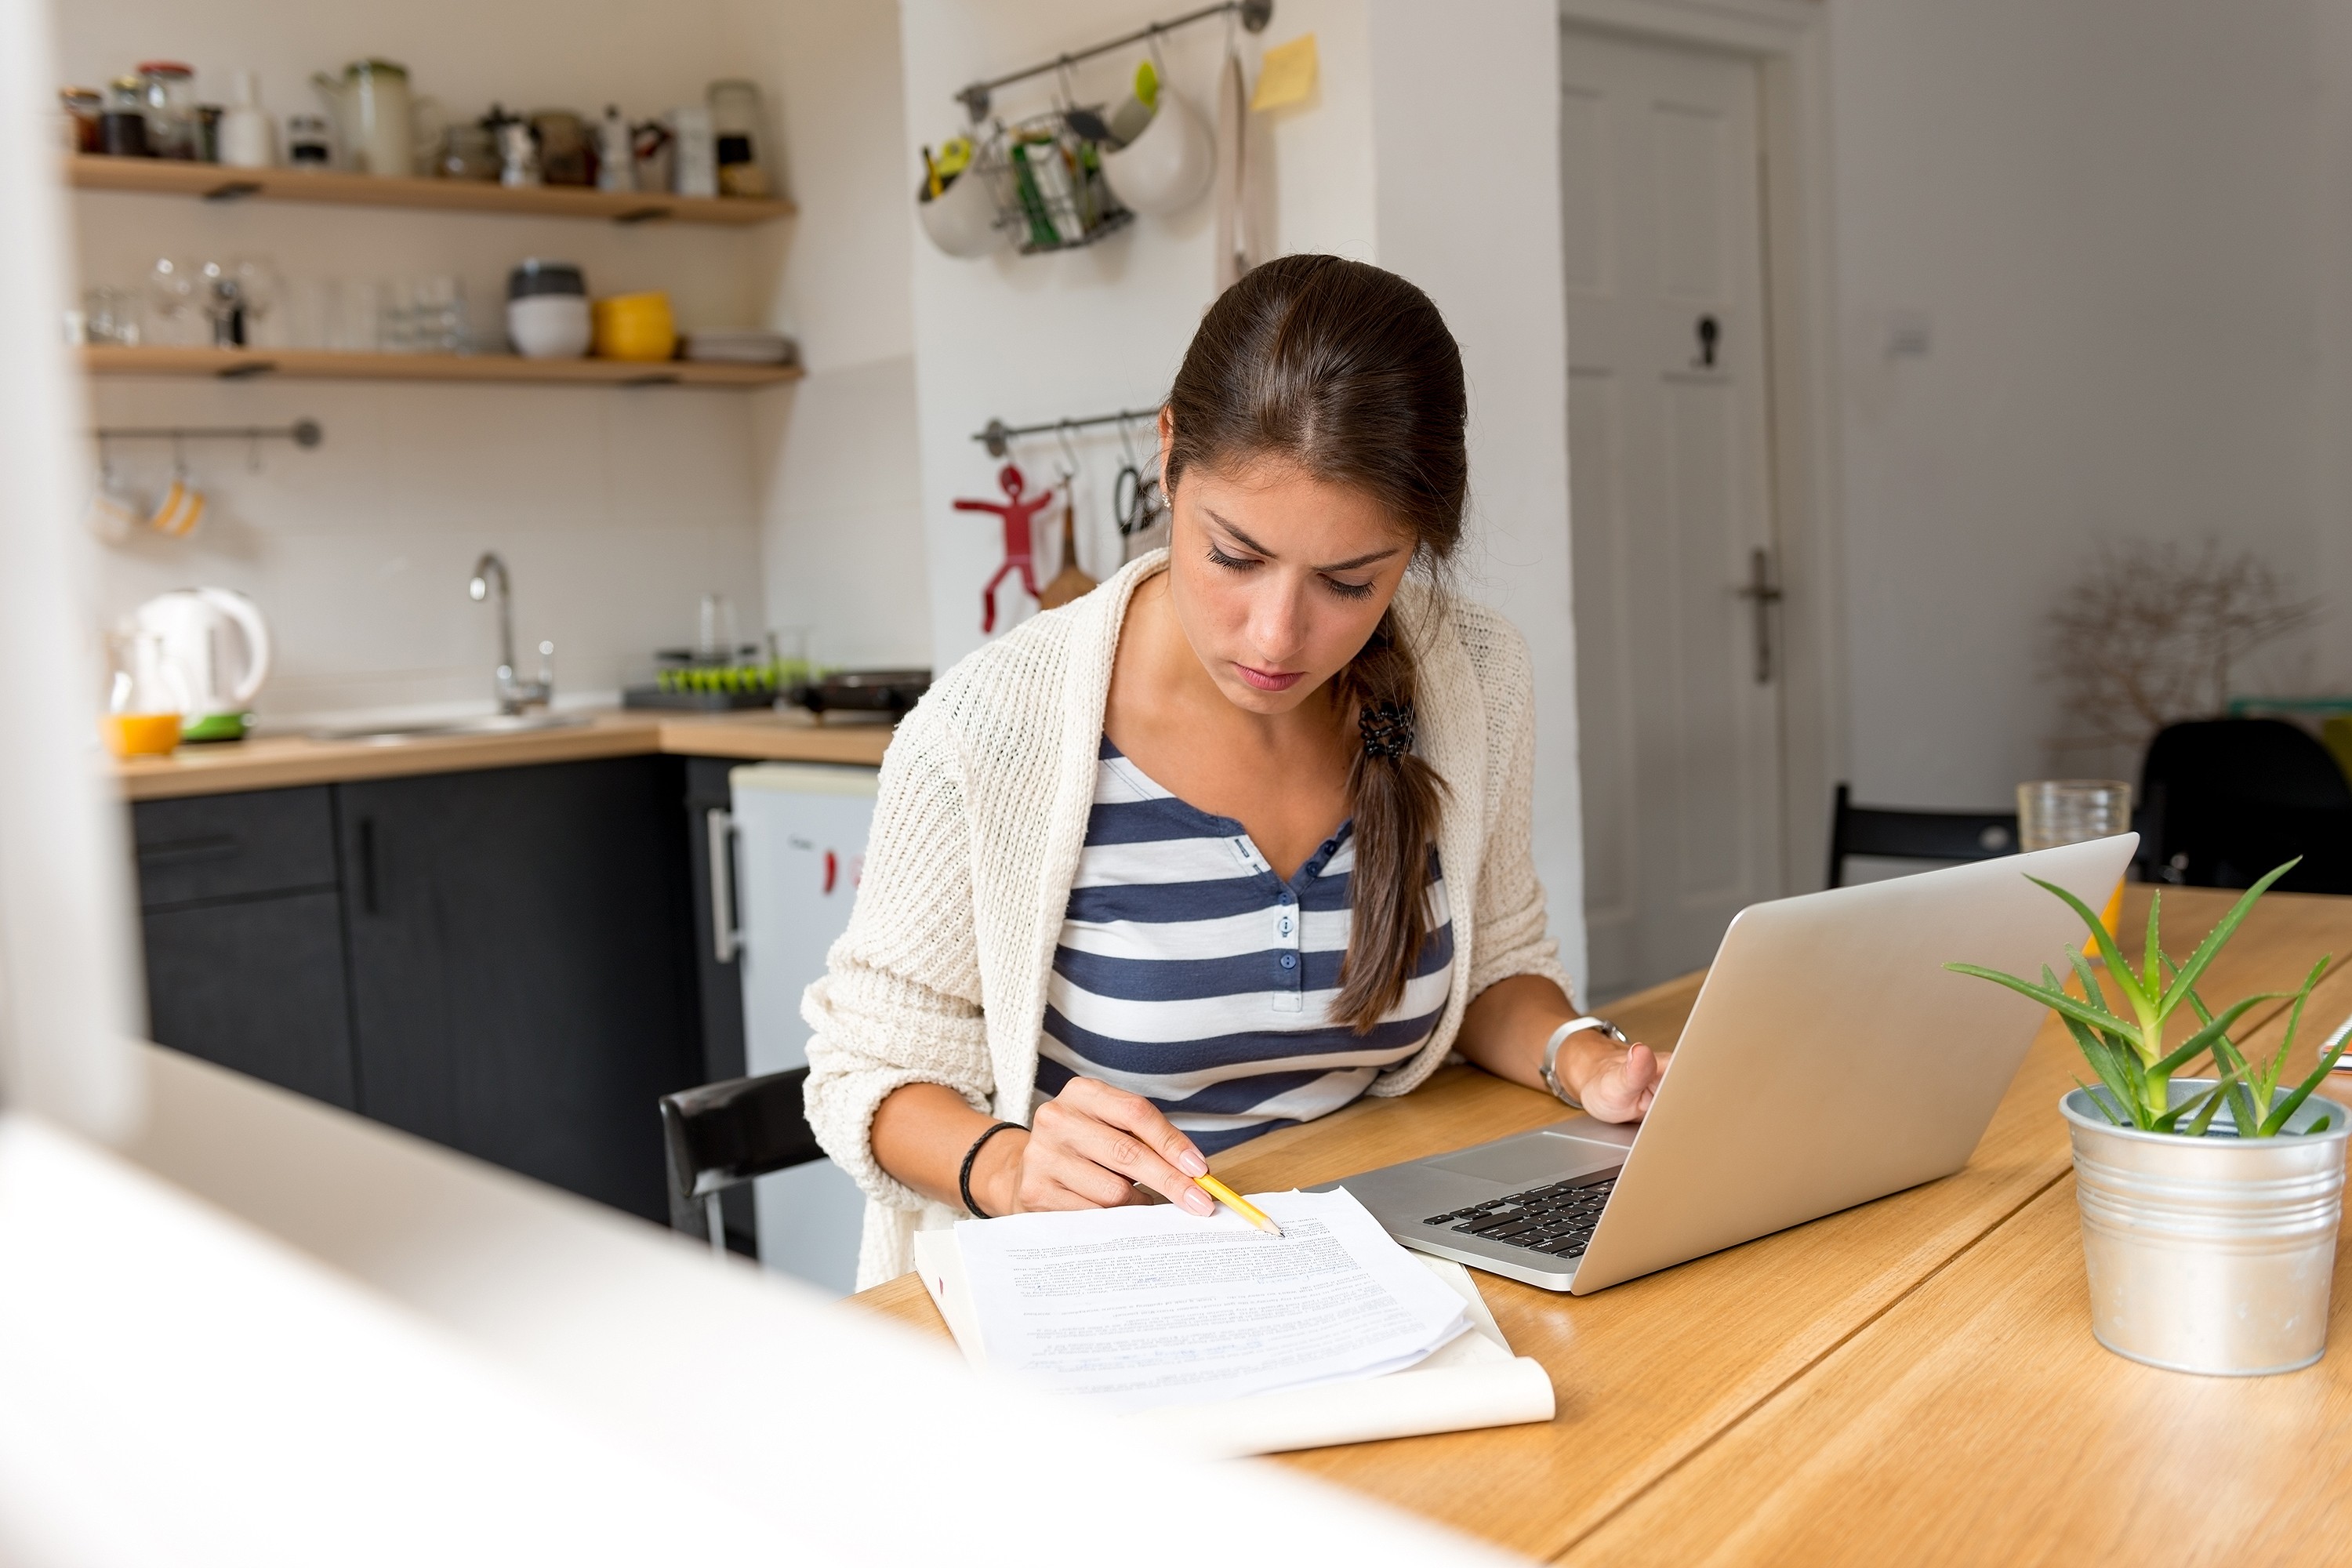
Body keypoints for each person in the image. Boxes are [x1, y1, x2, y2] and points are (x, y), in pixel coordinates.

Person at [804, 255, 1667, 1289]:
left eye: (1350, 584)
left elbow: (1492, 966)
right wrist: (1007, 1165)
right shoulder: (993, 735)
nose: (1277, 635)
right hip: (1104, 1286)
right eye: (1235, 557)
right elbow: (866, 1072)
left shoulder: (1464, 679)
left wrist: (1584, 1058)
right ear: (1169, 457)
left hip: (1376, 1256)